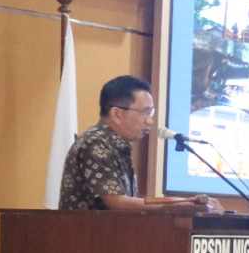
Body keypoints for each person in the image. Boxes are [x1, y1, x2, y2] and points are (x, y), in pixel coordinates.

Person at [59, 75, 215, 212]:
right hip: (86, 239)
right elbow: (117, 203)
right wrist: (181, 204)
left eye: (151, 113)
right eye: (144, 112)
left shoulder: (117, 146)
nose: (150, 121)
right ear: (117, 114)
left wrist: (185, 203)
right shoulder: (95, 143)